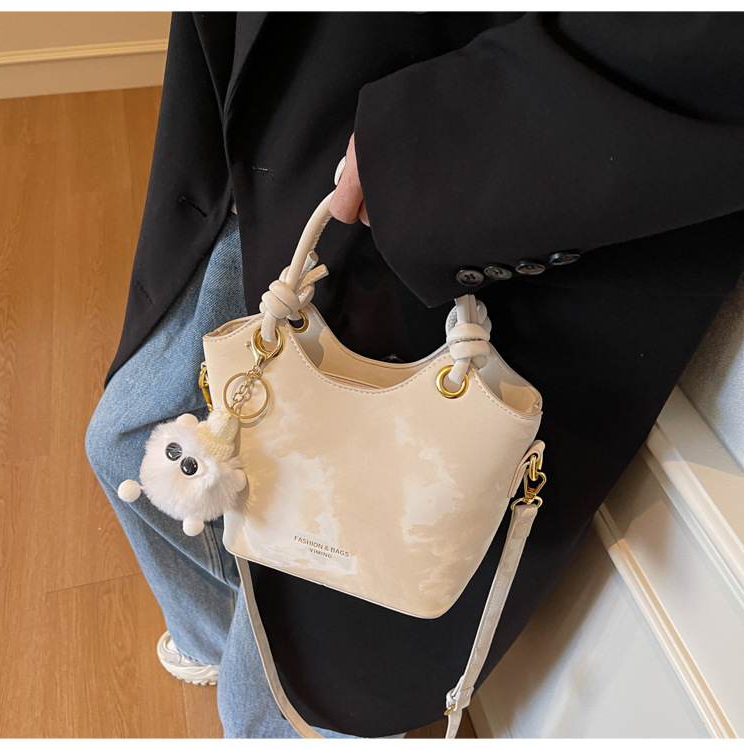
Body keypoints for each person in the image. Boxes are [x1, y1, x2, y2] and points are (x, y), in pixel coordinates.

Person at [86, 12, 744, 738]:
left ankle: (266, 646)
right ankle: (232, 620)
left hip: (468, 166)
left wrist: (435, 139)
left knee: (284, 697)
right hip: (280, 130)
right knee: (123, 441)